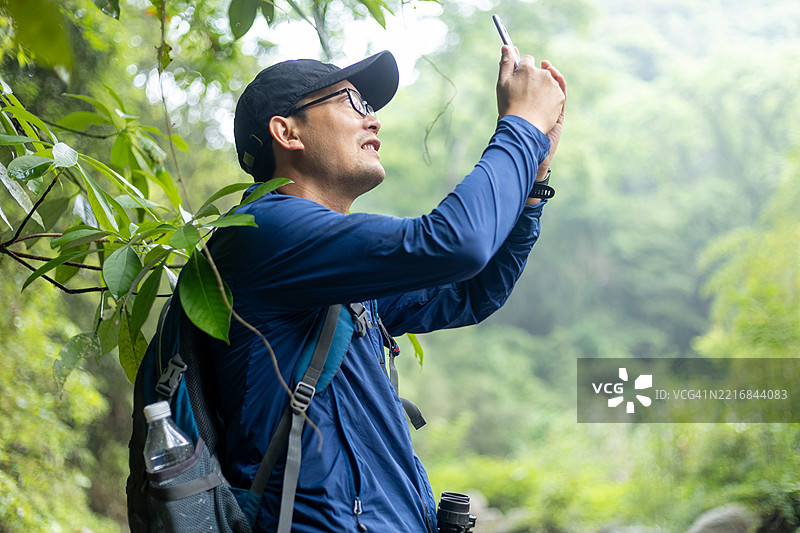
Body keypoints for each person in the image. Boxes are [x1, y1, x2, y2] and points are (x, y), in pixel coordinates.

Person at [208, 45, 566, 532]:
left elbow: (472, 291)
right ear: (286, 132)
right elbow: (457, 245)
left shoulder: (331, 268)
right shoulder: (263, 230)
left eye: (370, 108)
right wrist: (520, 126)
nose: (372, 121)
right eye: (351, 103)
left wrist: (532, 182)